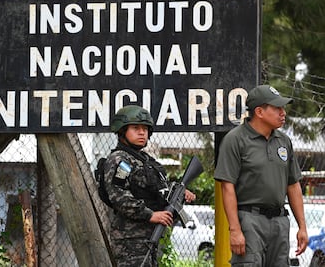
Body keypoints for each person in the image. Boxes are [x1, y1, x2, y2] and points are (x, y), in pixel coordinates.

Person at [214, 85, 308, 266]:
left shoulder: (284, 141)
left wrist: (302, 227)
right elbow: (227, 187)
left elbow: (293, 185)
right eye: (277, 108)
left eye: (283, 108)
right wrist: (235, 230)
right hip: (250, 220)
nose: (283, 113)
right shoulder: (235, 139)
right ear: (259, 111)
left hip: (280, 221)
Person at [103, 105, 196, 266]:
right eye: (135, 128)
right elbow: (119, 195)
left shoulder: (145, 160)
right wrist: (150, 215)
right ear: (122, 131)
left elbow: (157, 189)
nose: (142, 132)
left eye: (145, 129)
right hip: (131, 240)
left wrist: (179, 192)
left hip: (149, 236)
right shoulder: (121, 160)